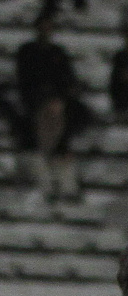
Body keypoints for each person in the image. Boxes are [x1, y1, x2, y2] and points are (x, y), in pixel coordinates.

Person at [16, 11, 88, 200]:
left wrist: (61, 98)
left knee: (62, 157)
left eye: (49, 27)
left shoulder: (58, 52)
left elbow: (69, 79)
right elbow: (25, 81)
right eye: (43, 27)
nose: (45, 31)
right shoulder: (27, 51)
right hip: (37, 102)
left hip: (57, 104)